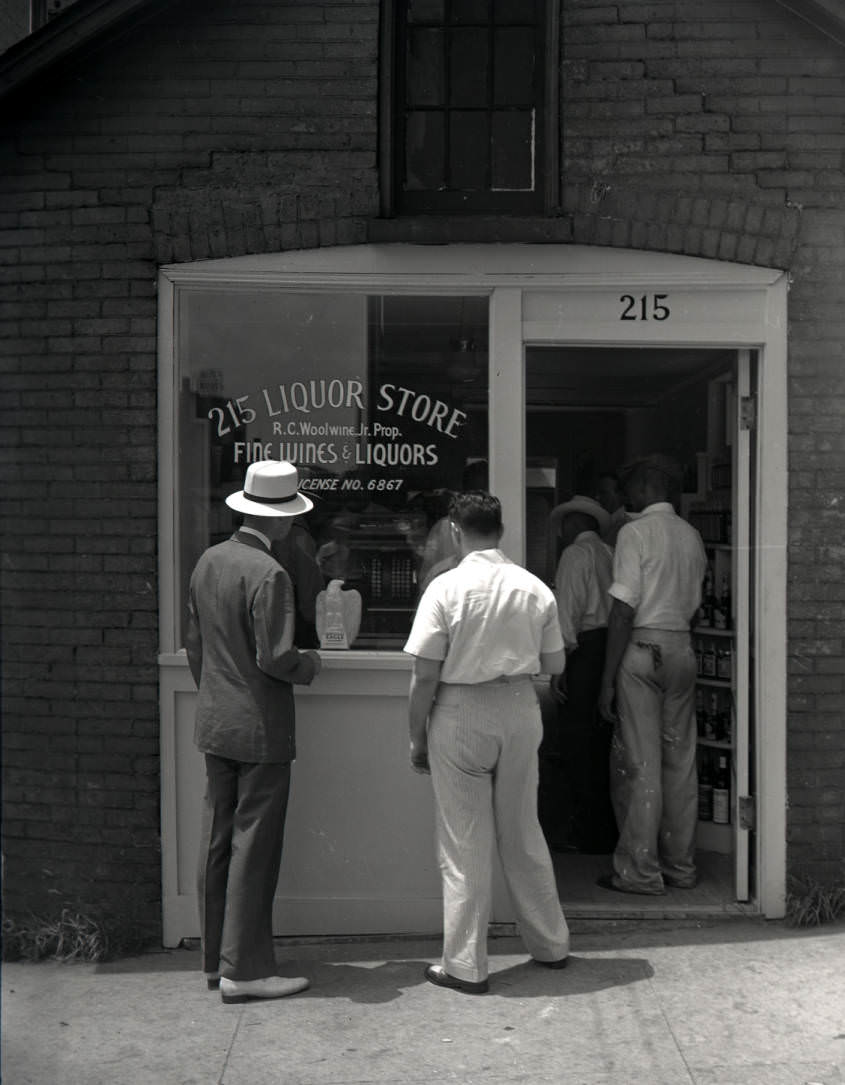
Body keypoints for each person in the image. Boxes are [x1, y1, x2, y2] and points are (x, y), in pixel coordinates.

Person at [404, 491, 570, 994]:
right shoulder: (534, 588)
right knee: (522, 829)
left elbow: (424, 675)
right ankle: (550, 943)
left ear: (456, 530)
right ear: (502, 530)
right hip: (519, 706)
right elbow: (556, 664)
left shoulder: (445, 588)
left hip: (461, 709)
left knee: (464, 842)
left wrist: (417, 737)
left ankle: (465, 965)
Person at [185, 459, 323, 1003]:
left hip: (216, 720)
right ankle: (246, 969)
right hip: (260, 726)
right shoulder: (270, 574)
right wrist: (311, 665)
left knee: (218, 840)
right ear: (285, 520)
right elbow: (278, 657)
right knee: (254, 848)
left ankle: (217, 960)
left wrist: (216, 690)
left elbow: (196, 647)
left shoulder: (208, 561)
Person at [597, 454, 707, 895]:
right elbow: (696, 606)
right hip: (681, 647)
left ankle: (640, 872)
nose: (627, 499)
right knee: (680, 762)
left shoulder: (635, 532)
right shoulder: (692, 536)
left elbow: (622, 610)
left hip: (642, 647)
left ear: (644, 489)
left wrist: (606, 679)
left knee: (641, 764)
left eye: (631, 491)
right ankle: (680, 866)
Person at [544, 496, 617, 854]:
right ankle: (603, 827)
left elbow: (568, 610)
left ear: (572, 524)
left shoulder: (575, 555)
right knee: (600, 740)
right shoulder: (609, 552)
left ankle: (584, 829)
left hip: (585, 649)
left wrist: (558, 664)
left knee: (576, 741)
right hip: (611, 646)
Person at [595, 471, 629, 547]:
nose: (597, 497)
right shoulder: (603, 522)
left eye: (603, 493)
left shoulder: (625, 525)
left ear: (620, 495)